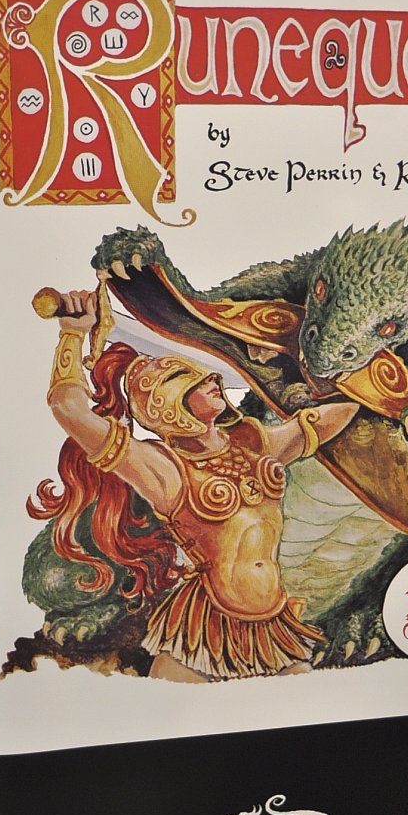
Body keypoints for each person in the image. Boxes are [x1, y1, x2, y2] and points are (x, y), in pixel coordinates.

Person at [34, 287, 359, 683]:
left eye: (209, 376)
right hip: (204, 629)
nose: (212, 380)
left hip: (273, 625)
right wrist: (72, 332)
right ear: (166, 400)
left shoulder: (253, 446)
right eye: (190, 377)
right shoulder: (165, 470)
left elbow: (332, 416)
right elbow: (67, 408)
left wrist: (346, 364)